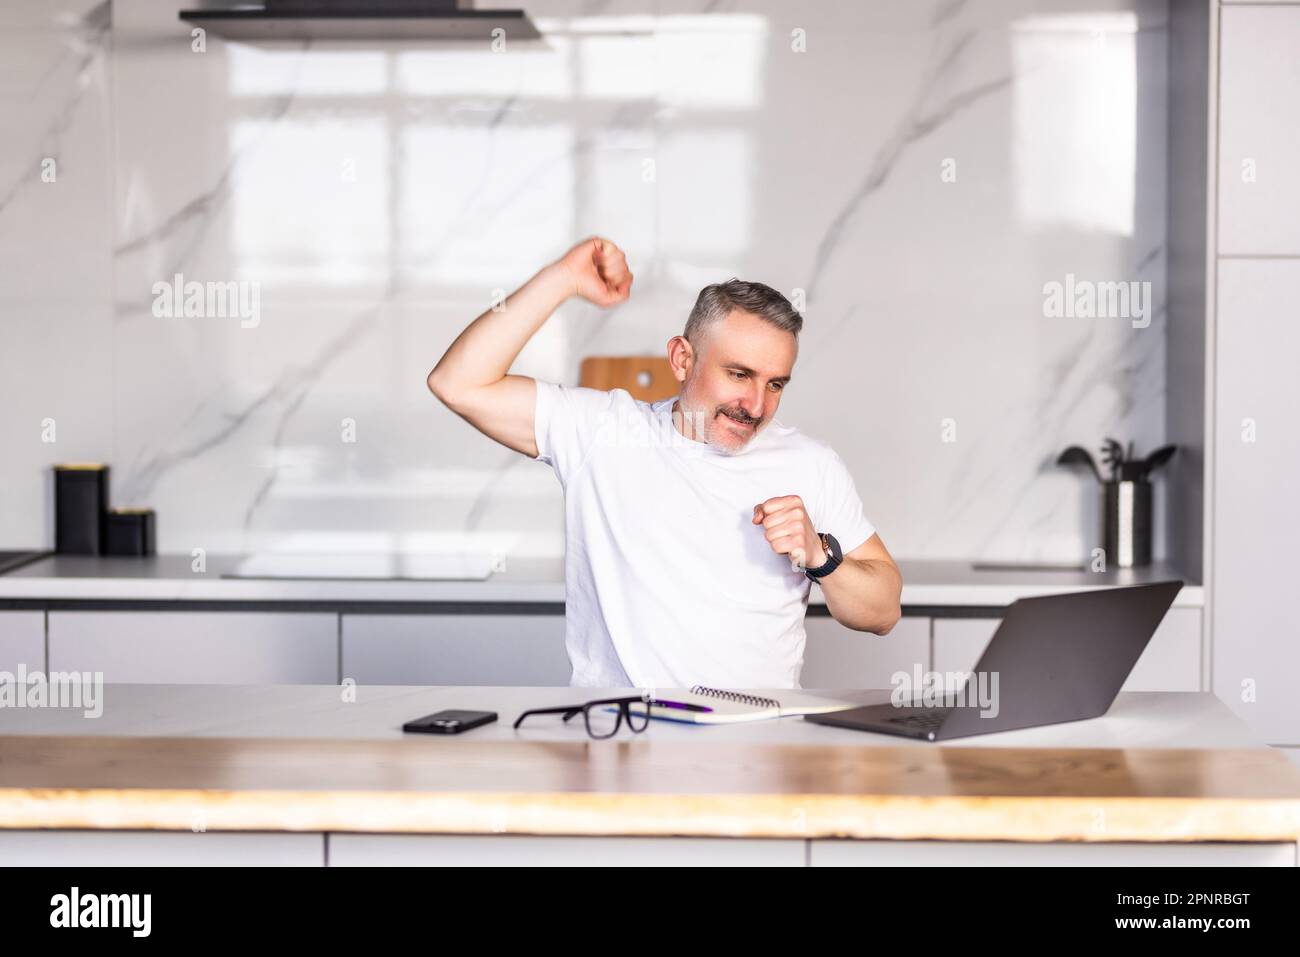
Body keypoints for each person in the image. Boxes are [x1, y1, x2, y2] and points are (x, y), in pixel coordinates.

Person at [427, 237, 902, 689]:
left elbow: (883, 612)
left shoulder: (811, 464)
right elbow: (458, 383)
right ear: (681, 359)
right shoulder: (603, 433)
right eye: (739, 374)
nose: (756, 405)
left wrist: (820, 556)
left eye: (775, 384)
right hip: (618, 740)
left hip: (761, 748)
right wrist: (563, 279)